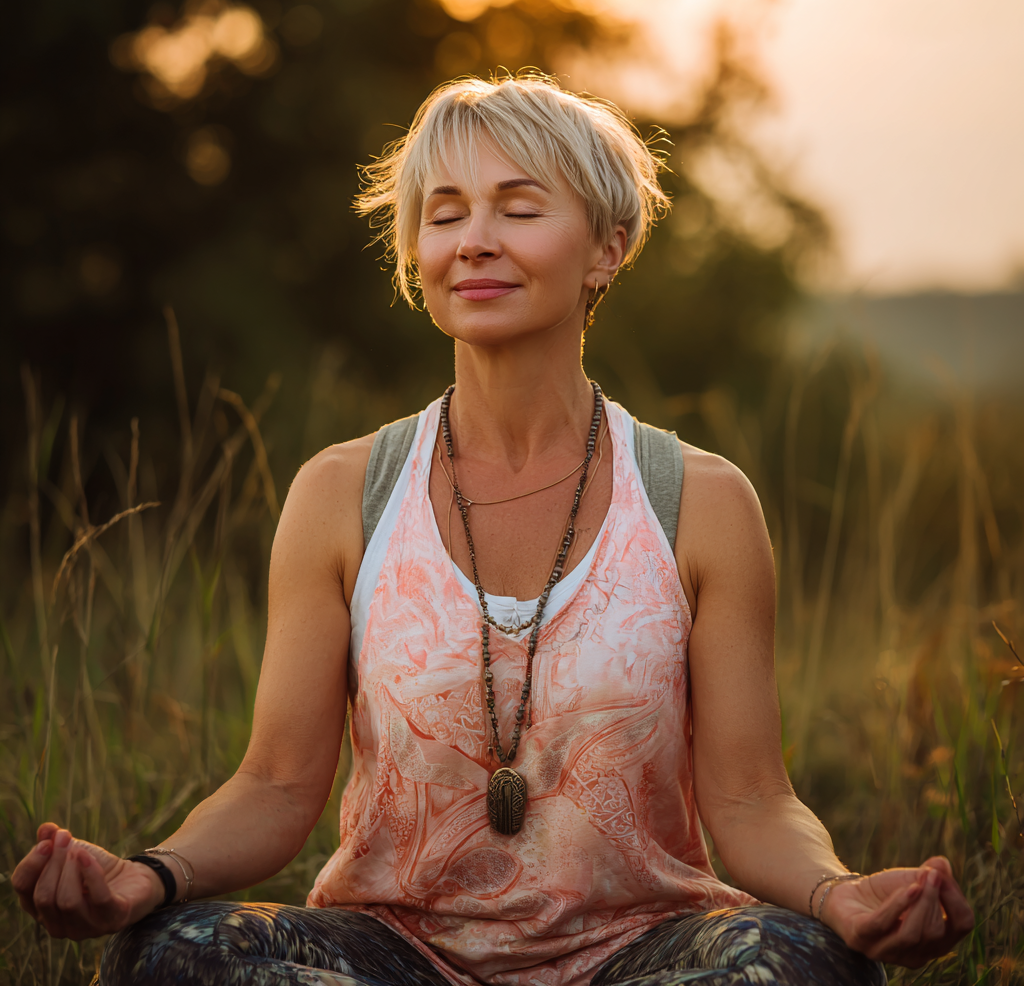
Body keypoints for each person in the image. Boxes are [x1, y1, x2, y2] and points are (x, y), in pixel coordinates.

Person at [13, 72, 973, 986]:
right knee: (168, 952)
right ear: (415, 256)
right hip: (390, 951)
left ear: (609, 247)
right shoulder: (341, 493)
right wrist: (147, 876)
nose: (473, 240)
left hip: (642, 951)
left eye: (518, 208)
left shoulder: (703, 502)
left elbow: (752, 803)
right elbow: (273, 785)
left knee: (807, 961)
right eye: (443, 213)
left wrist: (838, 897)